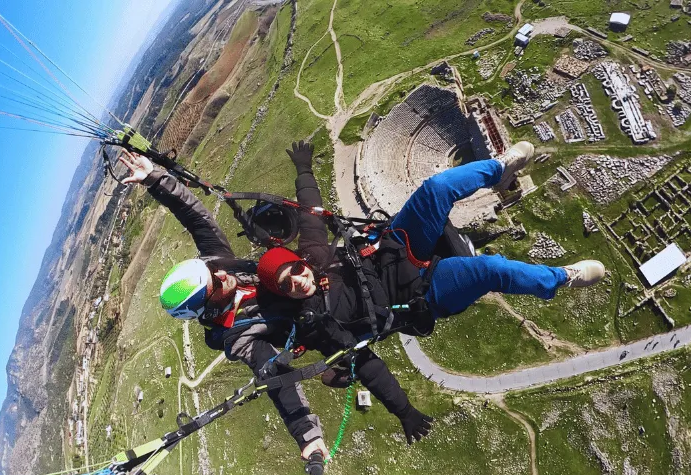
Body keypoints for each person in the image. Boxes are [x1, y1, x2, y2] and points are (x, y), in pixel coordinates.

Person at [257, 140, 606, 444]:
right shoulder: (321, 326)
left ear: (300, 262)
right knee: (490, 270)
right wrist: (404, 411)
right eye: (288, 285)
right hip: (422, 292)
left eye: (295, 270)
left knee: (436, 189)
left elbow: (310, 216)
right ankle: (561, 278)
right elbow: (367, 366)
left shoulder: (314, 256)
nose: (298, 280)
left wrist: (303, 169)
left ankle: (498, 168)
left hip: (397, 246)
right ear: (284, 294)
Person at [117, 148, 328, 460]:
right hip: (320, 314)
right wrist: (307, 436)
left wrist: (154, 179)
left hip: (307, 276)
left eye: (211, 271)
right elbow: (275, 378)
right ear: (205, 306)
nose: (221, 274)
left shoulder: (217, 264)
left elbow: (195, 216)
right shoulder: (236, 337)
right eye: (214, 282)